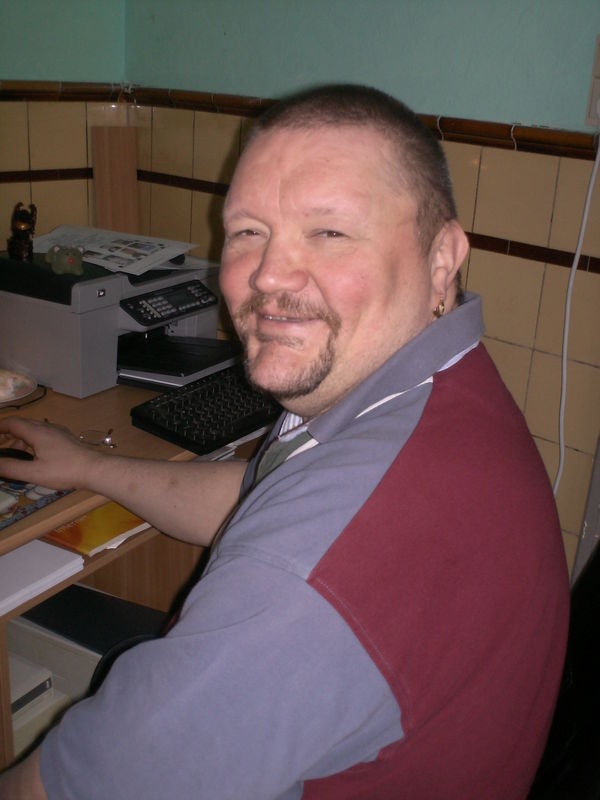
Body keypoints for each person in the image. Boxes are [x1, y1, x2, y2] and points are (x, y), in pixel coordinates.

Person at [0, 84, 569, 800]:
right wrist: (92, 465)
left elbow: (64, 789)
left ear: (440, 259)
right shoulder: (431, 388)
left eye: (328, 231)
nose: (268, 274)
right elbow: (263, 498)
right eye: (246, 231)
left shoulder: (307, 576)